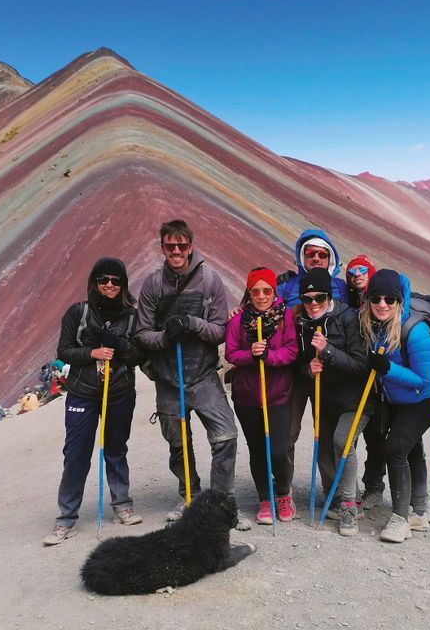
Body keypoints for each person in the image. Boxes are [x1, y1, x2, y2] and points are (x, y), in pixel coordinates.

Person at [134, 220, 249, 529]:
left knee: (226, 436)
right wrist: (166, 338)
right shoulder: (152, 285)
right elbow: (142, 333)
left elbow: (220, 331)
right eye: (170, 246)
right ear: (162, 248)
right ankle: (189, 497)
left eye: (181, 246)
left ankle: (222, 504)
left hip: (203, 375)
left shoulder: (210, 280)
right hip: (168, 379)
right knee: (177, 442)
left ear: (190, 246)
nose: (176, 251)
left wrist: (191, 324)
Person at [44, 258, 144, 546]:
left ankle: (122, 505)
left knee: (115, 448)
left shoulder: (132, 316)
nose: (110, 285)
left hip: (120, 392)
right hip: (82, 393)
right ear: (94, 282)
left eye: (116, 280)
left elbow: (140, 355)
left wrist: (121, 347)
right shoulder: (79, 312)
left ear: (123, 284)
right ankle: (66, 518)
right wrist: (93, 353)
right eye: (104, 280)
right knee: (76, 453)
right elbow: (63, 351)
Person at [359, 269, 430, 543]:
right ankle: (419, 512)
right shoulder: (370, 324)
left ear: (399, 301)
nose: (382, 304)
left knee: (397, 447)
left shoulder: (416, 330)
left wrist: (388, 369)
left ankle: (400, 519)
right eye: (376, 298)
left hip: (426, 395)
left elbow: (426, 379)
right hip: (399, 396)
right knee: (411, 447)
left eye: (390, 299)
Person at [290, 268, 371, 535]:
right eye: (307, 298)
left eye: (320, 298)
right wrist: (308, 370)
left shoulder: (350, 319)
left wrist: (328, 352)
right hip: (325, 398)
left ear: (329, 296)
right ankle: (333, 497)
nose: (313, 304)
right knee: (324, 448)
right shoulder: (302, 322)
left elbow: (361, 365)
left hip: (355, 399)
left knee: (342, 442)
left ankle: (349, 505)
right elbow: (300, 365)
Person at [223, 268, 300, 524]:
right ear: (249, 292)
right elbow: (231, 354)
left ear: (274, 292)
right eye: (256, 291)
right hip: (248, 397)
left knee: (278, 451)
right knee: (257, 450)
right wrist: (251, 355)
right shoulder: (237, 321)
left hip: (278, 394)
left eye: (267, 290)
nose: (262, 296)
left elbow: (291, 351)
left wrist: (268, 356)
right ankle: (264, 498)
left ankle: (282, 494)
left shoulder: (285, 317)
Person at [345, 254, 387, 512]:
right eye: (352, 271)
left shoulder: (386, 296)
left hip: (383, 381)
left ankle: (374, 487)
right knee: (358, 436)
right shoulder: (348, 299)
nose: (357, 274)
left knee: (378, 438)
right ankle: (356, 488)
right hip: (359, 380)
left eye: (362, 269)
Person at [273, 229, 349, 306]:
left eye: (322, 255)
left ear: (330, 259)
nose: (316, 259)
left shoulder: (341, 287)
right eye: (310, 253)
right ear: (302, 257)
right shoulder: (286, 287)